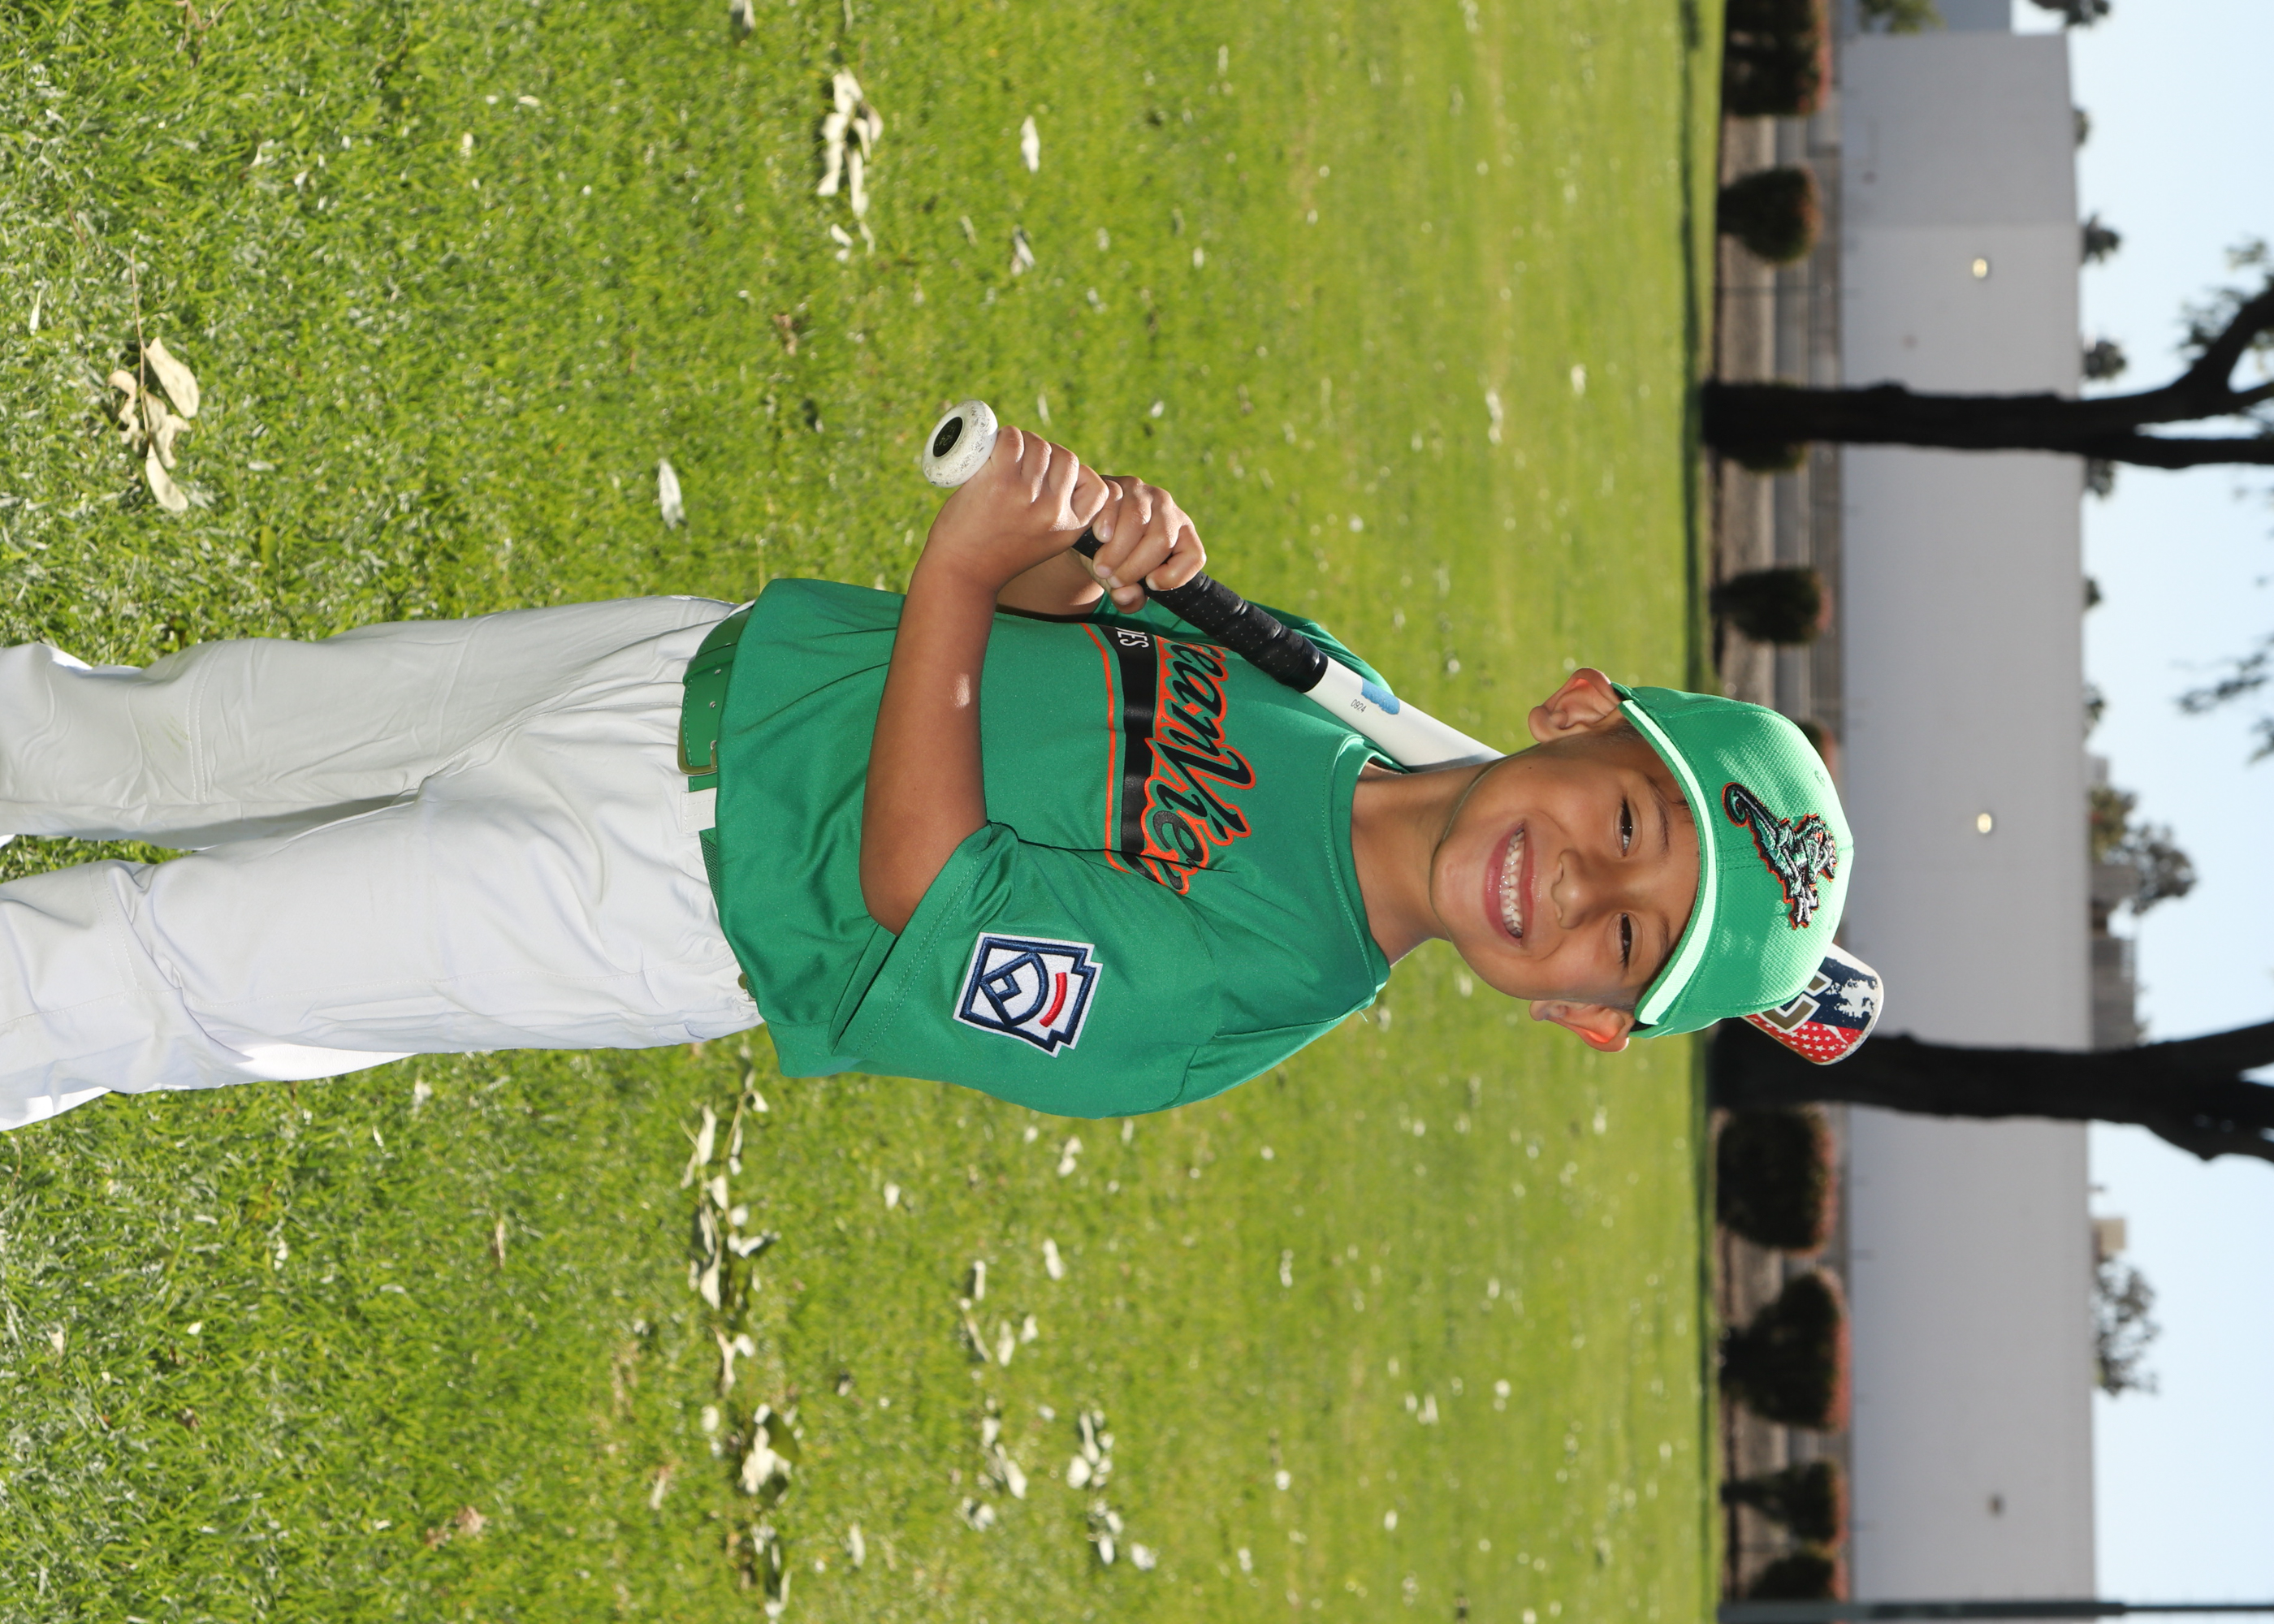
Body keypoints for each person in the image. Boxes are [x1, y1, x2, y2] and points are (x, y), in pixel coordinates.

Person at [0, 425, 1851, 1130]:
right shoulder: (1340, 698)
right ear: (1581, 711)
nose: (1580, 891)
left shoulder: (1238, 1002)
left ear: (1580, 1019)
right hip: (692, 671)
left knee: (166, 967)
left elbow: (929, 890)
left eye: (1626, 945)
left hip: (666, 903)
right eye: (1630, 824)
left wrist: (961, 574)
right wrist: (1069, 559)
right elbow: (1063, 651)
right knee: (184, 731)